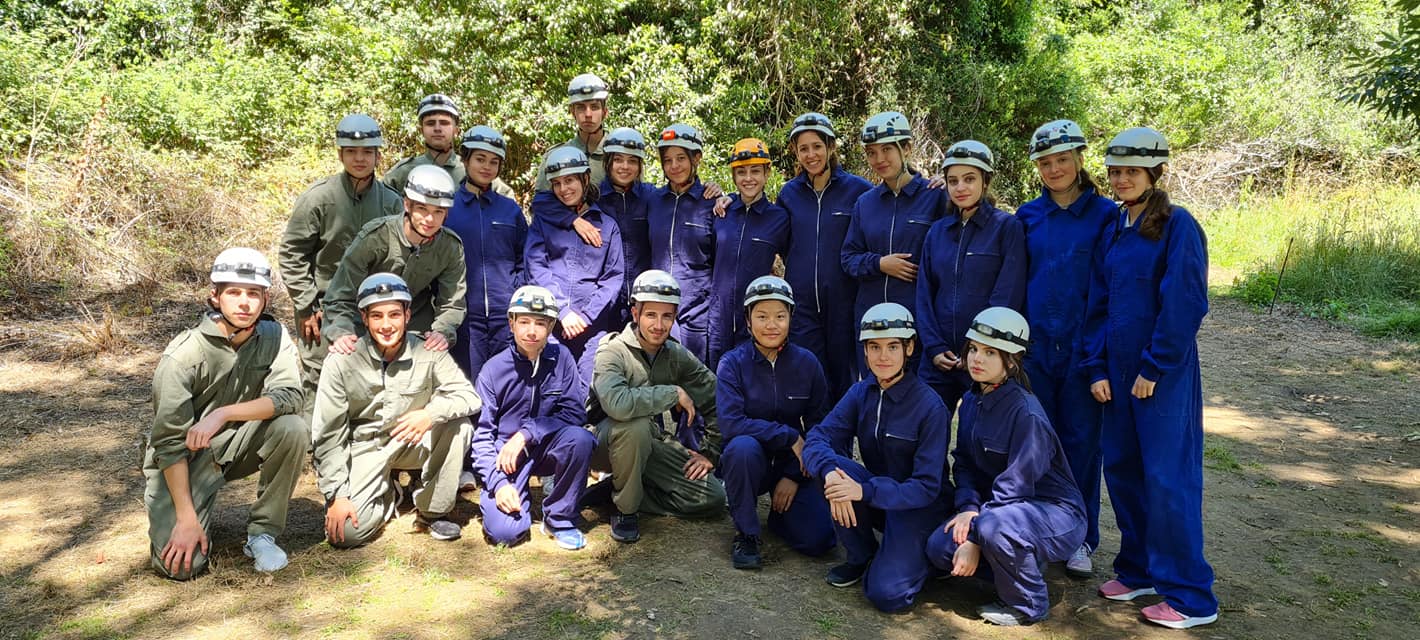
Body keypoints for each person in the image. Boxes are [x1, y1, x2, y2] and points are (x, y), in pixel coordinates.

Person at [1082, 127, 1218, 629]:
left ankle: (1190, 595)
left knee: (1167, 479)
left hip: (1161, 377)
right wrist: (1095, 368)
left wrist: (1154, 367)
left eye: (1131, 172)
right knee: (1122, 470)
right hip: (1115, 377)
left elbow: (1185, 304)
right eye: (1115, 171)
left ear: (1155, 173)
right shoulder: (1114, 228)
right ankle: (1138, 569)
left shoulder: (1178, 226)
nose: (1120, 180)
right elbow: (1097, 305)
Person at [143, 248, 306, 579]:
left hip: (238, 440)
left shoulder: (274, 337)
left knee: (293, 428)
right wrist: (187, 518)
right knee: (179, 568)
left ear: (266, 298)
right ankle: (192, 511)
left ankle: (262, 534)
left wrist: (223, 414)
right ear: (215, 297)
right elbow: (170, 443)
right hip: (187, 459)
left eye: (254, 294)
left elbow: (290, 396)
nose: (244, 303)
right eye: (234, 292)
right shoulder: (182, 355)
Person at [925, 307, 1087, 626]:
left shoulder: (1026, 414)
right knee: (938, 549)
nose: (976, 359)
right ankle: (1022, 563)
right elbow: (965, 464)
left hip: (1054, 513)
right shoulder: (972, 399)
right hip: (1000, 512)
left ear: (1011, 361)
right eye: (973, 349)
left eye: (989, 352)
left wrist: (974, 534)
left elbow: (1017, 486)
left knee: (992, 529)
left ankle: (1028, 604)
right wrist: (969, 508)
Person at [1015, 119, 1118, 577]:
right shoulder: (1027, 217)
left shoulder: (1107, 216)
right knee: (1037, 444)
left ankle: (1081, 538)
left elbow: (1110, 290)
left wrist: (1098, 356)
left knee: (1081, 445)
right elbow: (1016, 283)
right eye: (1045, 162)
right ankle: (1040, 532)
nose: (1054, 169)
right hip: (1036, 350)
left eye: (1062, 159)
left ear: (1079, 158)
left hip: (1083, 353)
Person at [801, 303, 951, 613]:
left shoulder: (931, 407)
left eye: (893, 346)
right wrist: (830, 473)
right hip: (881, 497)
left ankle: (925, 559)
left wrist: (863, 491)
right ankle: (862, 555)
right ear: (865, 352)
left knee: (887, 595)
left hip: (920, 508)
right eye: (874, 346)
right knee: (834, 468)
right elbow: (818, 437)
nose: (883, 356)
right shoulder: (861, 392)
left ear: (909, 348)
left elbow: (925, 488)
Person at [312, 273, 479, 547]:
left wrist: (431, 414)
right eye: (377, 316)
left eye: (394, 315)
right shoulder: (341, 361)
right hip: (364, 448)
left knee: (457, 426)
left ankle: (432, 510)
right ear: (364, 318)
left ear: (407, 315)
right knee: (345, 536)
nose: (387, 325)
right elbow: (328, 434)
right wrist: (337, 495)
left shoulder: (429, 349)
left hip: (410, 441)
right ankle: (388, 494)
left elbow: (469, 397)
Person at [279, 114, 403, 418]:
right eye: (351, 151)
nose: (359, 158)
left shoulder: (391, 201)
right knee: (319, 374)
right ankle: (314, 443)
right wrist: (307, 305)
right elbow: (292, 253)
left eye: (367, 152)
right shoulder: (319, 198)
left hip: (373, 305)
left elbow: (399, 257)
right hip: (321, 307)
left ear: (378, 155)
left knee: (370, 374)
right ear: (340, 154)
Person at [589, 270, 726, 543]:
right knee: (634, 424)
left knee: (712, 498)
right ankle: (625, 510)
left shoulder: (675, 354)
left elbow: (717, 398)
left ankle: (616, 490)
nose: (659, 325)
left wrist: (710, 452)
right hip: (604, 442)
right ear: (635, 313)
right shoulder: (612, 351)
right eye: (651, 315)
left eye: (667, 316)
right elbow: (617, 405)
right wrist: (672, 393)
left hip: (648, 442)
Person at [716, 276, 835, 570]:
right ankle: (747, 532)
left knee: (819, 540)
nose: (771, 325)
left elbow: (822, 424)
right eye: (762, 316)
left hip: (791, 464)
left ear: (791, 318)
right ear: (747, 320)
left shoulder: (808, 363)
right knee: (741, 448)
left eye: (780, 316)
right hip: (750, 460)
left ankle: (781, 517)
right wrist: (789, 435)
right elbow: (732, 424)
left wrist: (795, 475)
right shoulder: (732, 364)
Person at [471, 286, 598, 550]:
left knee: (581, 439)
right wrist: (498, 484)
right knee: (506, 534)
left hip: (546, 448)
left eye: (540, 323)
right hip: (506, 458)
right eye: (524, 321)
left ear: (551, 326)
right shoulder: (492, 370)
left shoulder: (562, 358)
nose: (532, 331)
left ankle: (560, 517)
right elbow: (482, 437)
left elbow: (574, 412)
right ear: (511, 323)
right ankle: (513, 495)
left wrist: (528, 433)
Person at [915, 140, 1026, 426]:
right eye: (953, 181)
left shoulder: (1006, 228)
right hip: (937, 359)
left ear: (985, 181)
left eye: (969, 179)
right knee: (926, 433)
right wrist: (934, 347)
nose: (960, 187)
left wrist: (975, 348)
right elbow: (925, 294)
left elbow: (1006, 296)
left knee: (983, 435)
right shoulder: (937, 232)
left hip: (983, 355)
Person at [322, 165, 467, 357]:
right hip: (364, 323)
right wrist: (342, 332)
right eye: (422, 208)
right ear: (407, 204)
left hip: (414, 326)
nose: (429, 219)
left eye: (438, 211)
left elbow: (452, 303)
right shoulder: (375, 237)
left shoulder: (450, 247)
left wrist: (442, 332)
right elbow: (340, 295)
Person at [777, 112, 874, 397]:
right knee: (809, 375)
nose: (811, 154)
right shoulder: (789, 194)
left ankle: (840, 441)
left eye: (817, 146)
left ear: (830, 147)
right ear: (795, 151)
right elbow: (779, 237)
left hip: (844, 300)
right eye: (803, 148)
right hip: (803, 303)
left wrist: (931, 186)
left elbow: (888, 205)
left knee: (843, 376)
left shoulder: (859, 190)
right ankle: (815, 438)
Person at [841, 111, 943, 379]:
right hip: (872, 320)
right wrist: (879, 264)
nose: (879, 159)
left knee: (914, 400)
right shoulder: (865, 203)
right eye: (872, 152)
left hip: (917, 322)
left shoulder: (935, 197)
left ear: (907, 148)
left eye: (887, 149)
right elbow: (848, 257)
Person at [526, 147, 626, 386]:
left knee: (586, 389)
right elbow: (536, 267)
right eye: (557, 183)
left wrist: (585, 316)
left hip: (591, 327)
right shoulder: (543, 222)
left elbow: (612, 278)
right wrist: (563, 311)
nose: (564, 189)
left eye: (570, 180)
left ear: (586, 179)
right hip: (550, 322)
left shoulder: (607, 226)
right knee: (549, 387)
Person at [444, 125, 527, 381]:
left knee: (508, 378)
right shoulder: (447, 207)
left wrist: (515, 291)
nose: (486, 167)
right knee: (469, 380)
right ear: (465, 159)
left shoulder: (509, 209)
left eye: (494, 162)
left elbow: (525, 257)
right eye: (480, 159)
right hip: (465, 316)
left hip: (506, 316)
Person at [706, 138, 790, 371]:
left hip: (756, 320)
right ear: (734, 176)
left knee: (752, 382)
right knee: (716, 381)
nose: (748, 178)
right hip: (718, 319)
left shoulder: (779, 218)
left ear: (767, 173)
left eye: (755, 171)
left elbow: (792, 263)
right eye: (741, 172)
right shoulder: (721, 212)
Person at [646, 123, 718, 363]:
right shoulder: (653, 200)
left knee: (695, 383)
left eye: (681, 158)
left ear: (696, 158)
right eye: (667, 160)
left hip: (697, 311)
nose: (674, 166)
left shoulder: (712, 203)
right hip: (659, 311)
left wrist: (724, 196)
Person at [385, 93, 516, 199]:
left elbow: (507, 204)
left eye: (444, 123)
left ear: (456, 130)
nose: (437, 128)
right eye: (430, 123)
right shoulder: (404, 172)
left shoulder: (472, 169)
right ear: (421, 130)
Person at [598, 127, 656, 318]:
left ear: (640, 166)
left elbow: (682, 197)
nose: (625, 166)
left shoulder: (652, 196)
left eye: (632, 161)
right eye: (618, 160)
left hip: (643, 299)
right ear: (608, 163)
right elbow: (547, 203)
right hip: (605, 300)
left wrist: (716, 193)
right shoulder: (593, 197)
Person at [535, 74, 613, 192]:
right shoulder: (554, 156)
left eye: (594, 107)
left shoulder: (620, 155)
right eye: (581, 107)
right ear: (572, 112)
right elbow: (541, 205)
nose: (588, 114)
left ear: (605, 112)